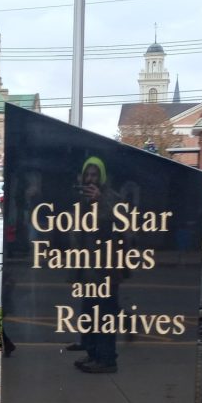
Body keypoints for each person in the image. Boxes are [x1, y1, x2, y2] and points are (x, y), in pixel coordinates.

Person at [72, 155, 124, 375]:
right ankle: (93, 353)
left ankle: (107, 359)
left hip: (107, 268)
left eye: (94, 174)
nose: (90, 179)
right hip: (88, 266)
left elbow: (120, 224)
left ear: (101, 177)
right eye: (87, 174)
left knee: (104, 314)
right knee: (89, 312)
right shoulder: (83, 199)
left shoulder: (111, 197)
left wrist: (101, 200)